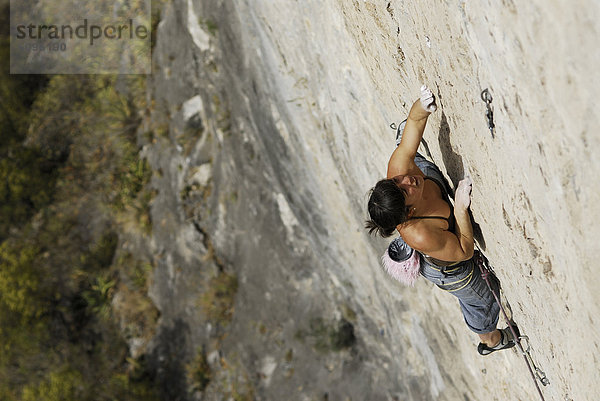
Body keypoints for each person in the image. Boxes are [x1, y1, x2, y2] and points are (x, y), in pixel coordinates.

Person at [365, 85, 518, 355]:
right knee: (482, 298)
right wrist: (459, 209)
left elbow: (414, 121)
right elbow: (464, 250)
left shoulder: (399, 171)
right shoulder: (419, 233)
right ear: (409, 214)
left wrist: (421, 107)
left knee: (408, 151)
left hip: (435, 225)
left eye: (396, 181)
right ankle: (491, 341)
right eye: (404, 190)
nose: (408, 179)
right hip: (451, 269)